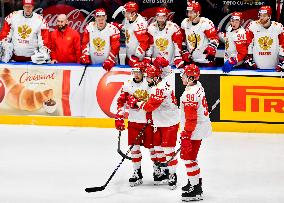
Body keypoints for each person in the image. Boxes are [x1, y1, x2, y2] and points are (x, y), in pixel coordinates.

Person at [128, 64, 180, 190]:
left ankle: (172, 174)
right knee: (157, 148)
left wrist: (136, 102)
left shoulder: (159, 88)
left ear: (156, 77)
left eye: (150, 77)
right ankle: (163, 172)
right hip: (159, 122)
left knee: (168, 150)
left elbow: (149, 107)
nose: (147, 79)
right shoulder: (158, 83)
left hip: (169, 123)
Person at [115, 62, 158, 187]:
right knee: (134, 148)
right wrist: (119, 117)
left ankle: (157, 170)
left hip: (149, 122)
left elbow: (154, 100)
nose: (136, 75)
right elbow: (121, 102)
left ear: (143, 72)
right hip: (134, 122)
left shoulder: (149, 83)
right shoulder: (128, 85)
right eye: (134, 72)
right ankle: (136, 172)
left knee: (152, 148)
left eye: (139, 72)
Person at [179, 64, 212, 202]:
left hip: (193, 130)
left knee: (189, 158)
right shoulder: (198, 86)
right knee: (192, 158)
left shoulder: (190, 94)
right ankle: (195, 182)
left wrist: (186, 134)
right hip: (198, 128)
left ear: (191, 78)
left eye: (185, 75)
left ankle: (195, 189)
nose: (182, 77)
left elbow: (191, 118)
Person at [245, 6, 284, 71]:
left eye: (264, 15)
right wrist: (248, 58)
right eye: (260, 15)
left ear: (269, 16)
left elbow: (282, 44)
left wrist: (282, 59)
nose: (261, 18)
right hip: (257, 66)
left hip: (274, 66)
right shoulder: (252, 25)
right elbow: (248, 43)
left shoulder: (278, 27)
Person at [181, 1, 219, 67]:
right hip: (191, 60)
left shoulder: (206, 23)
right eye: (188, 12)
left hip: (206, 60)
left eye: (191, 12)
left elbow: (214, 38)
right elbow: (182, 40)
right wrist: (184, 51)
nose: (189, 15)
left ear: (198, 13)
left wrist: (212, 47)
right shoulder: (184, 23)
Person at [120, 1, 149, 67]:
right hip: (129, 54)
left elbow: (144, 43)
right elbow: (127, 28)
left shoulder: (140, 23)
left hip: (138, 58)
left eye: (126, 13)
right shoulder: (128, 19)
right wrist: (118, 26)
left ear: (133, 13)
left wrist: (136, 57)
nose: (125, 15)